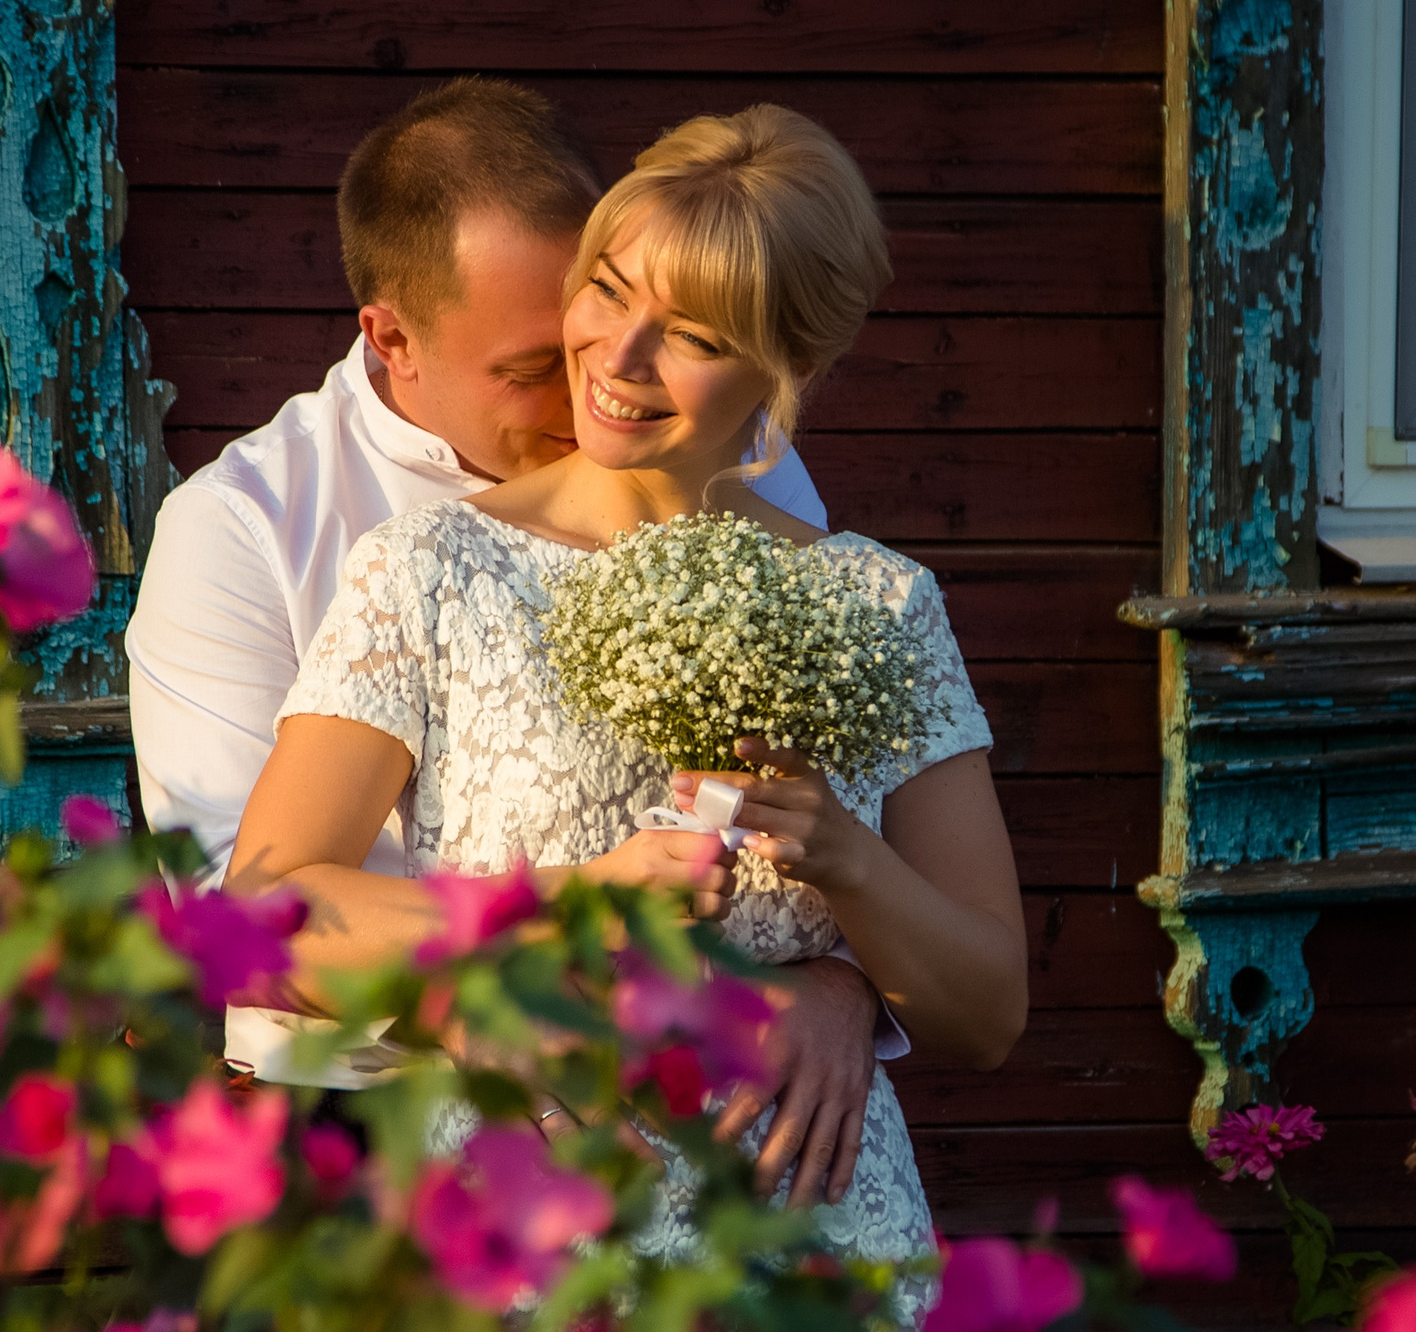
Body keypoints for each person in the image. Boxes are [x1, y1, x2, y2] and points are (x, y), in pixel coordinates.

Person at [220, 104, 1028, 1325]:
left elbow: (989, 1007)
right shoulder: (430, 569)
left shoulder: (878, 600)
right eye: (605, 288)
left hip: (813, 1249)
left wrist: (849, 877)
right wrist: (570, 901)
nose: (616, 353)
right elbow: (271, 908)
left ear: (785, 365)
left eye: (692, 334)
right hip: (528, 1249)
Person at [127, 79, 893, 1209]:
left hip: (718, 1117)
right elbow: (248, 924)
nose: (600, 386)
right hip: (363, 1118)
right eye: (534, 368)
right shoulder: (248, 526)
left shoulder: (731, 460)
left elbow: (816, 806)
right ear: (392, 339)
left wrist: (846, 987)